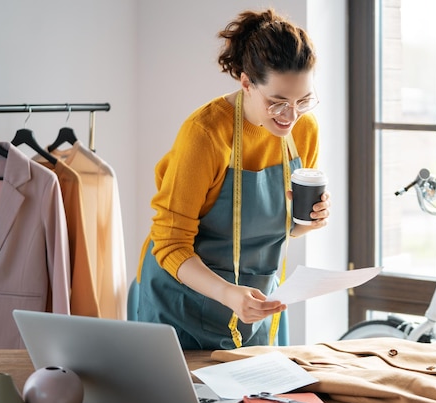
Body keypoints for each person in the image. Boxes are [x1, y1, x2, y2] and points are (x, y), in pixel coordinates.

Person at [133, 8, 330, 350]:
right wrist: (228, 294)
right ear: (246, 83)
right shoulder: (206, 134)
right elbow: (169, 244)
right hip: (179, 303)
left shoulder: (304, 132)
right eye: (277, 102)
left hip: (253, 304)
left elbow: (277, 231)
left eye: (303, 101)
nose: (291, 115)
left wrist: (307, 223)